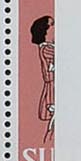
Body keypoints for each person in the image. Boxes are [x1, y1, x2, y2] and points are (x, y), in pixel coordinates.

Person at [30, 13, 54, 143]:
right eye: (52, 25)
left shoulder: (49, 47)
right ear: (44, 31)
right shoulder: (46, 48)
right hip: (52, 90)